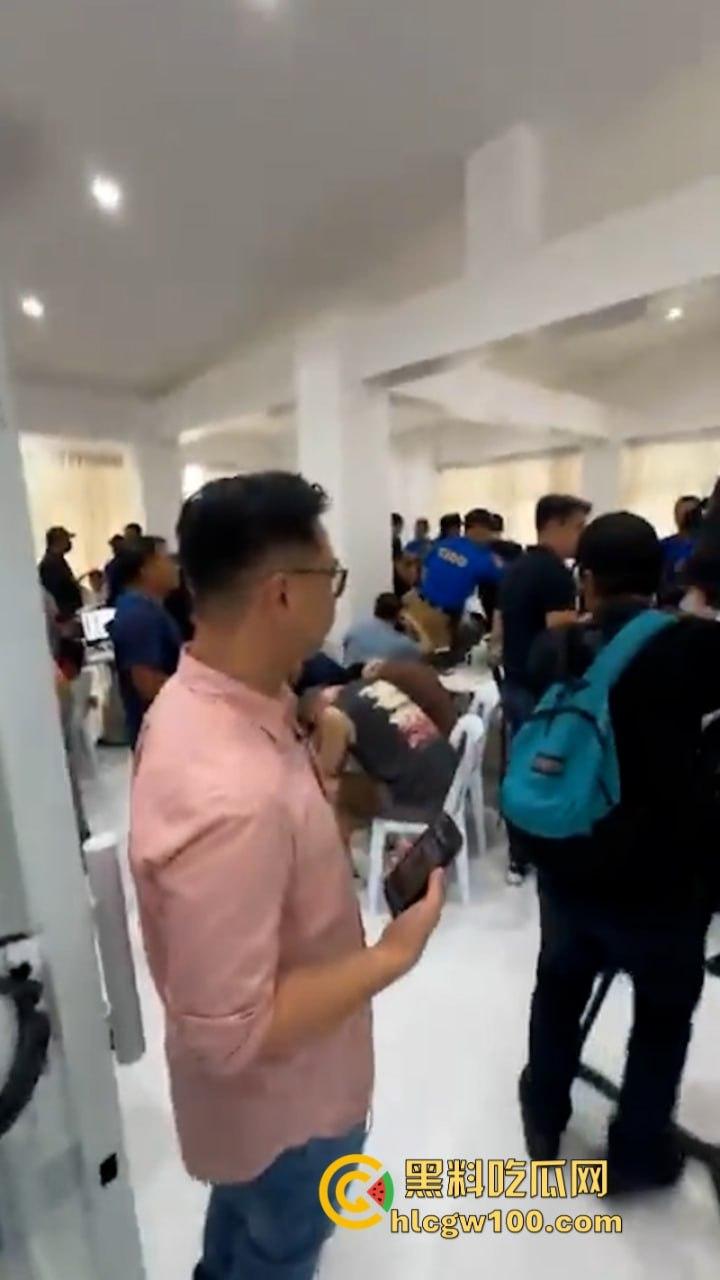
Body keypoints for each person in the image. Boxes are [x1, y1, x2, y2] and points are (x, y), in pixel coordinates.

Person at [129, 473, 445, 1280]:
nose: (335, 599)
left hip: (260, 1113)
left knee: (240, 1236)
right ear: (281, 593)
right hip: (289, 1111)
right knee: (277, 1251)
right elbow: (231, 1031)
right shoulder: (228, 793)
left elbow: (273, 864)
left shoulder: (218, 700)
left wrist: (324, 767)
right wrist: (393, 955)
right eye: (330, 578)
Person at [518, 512, 720, 1191]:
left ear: (587, 578)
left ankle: (543, 1119)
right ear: (661, 575)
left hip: (568, 859)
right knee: (661, 1018)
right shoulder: (694, 648)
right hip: (665, 876)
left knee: (557, 989)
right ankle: (635, 1152)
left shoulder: (556, 648)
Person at [497, 493, 589, 883]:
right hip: (543, 688)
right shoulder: (554, 573)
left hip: (514, 680)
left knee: (520, 766)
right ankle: (546, 847)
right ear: (554, 525)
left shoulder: (515, 568)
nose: (582, 536)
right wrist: (591, 620)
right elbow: (559, 629)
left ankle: (518, 856)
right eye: (578, 527)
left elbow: (498, 628)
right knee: (547, 768)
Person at [300, 659, 459, 828]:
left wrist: (310, 748)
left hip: (425, 803)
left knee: (328, 788)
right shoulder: (373, 685)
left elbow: (326, 772)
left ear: (313, 715)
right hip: (453, 779)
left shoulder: (332, 714)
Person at [109, 536, 181, 747]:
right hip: (162, 735)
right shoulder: (139, 615)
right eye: (166, 559)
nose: (174, 566)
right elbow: (147, 684)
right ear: (145, 569)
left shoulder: (147, 609)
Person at [420, 508, 502, 623]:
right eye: (489, 529)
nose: (490, 534)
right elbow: (507, 578)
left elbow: (425, 570)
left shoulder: (445, 543)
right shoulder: (482, 557)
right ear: (478, 528)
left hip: (422, 606)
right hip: (448, 617)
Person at [343, 592, 422, 666]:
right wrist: (412, 627)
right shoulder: (404, 644)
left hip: (348, 674)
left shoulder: (354, 629)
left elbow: (345, 646)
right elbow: (421, 657)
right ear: (399, 614)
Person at [38, 526, 83, 622]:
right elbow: (56, 592)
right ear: (58, 541)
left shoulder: (58, 560)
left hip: (69, 614)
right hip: (64, 618)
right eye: (67, 540)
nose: (69, 543)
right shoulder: (50, 564)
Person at [660, 495, 702, 581]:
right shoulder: (664, 546)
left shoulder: (711, 544)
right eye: (685, 514)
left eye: (692, 513)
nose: (689, 518)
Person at [105, 533, 127, 606]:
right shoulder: (110, 565)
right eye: (113, 545)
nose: (114, 548)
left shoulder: (130, 562)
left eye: (117, 545)